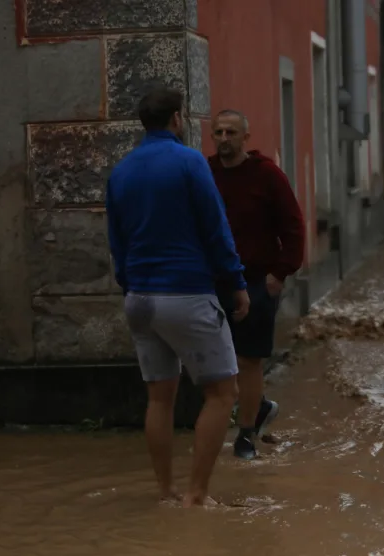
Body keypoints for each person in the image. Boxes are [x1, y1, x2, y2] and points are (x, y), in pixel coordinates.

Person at [106, 88, 251, 508]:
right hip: (186, 292)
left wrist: (129, 284)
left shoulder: (122, 171)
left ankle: (166, 492)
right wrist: (236, 283)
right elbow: (215, 227)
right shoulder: (189, 162)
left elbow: (117, 240)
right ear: (176, 118)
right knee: (223, 393)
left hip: (139, 298)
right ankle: (197, 495)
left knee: (159, 398)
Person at [208, 109, 306, 460]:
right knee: (218, 360)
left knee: (249, 359)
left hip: (256, 280)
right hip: (214, 280)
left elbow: (293, 226)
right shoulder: (206, 174)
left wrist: (280, 273)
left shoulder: (267, 175)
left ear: (245, 137)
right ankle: (258, 405)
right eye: (218, 132)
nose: (223, 138)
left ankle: (246, 434)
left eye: (231, 132)